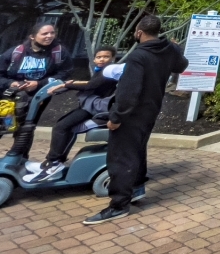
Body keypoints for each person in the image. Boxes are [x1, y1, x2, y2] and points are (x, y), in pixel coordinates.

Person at [83, 15, 188, 225]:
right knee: (137, 149)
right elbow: (181, 66)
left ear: (139, 32)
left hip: (132, 113)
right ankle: (137, 188)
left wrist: (116, 117)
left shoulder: (138, 56)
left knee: (121, 157)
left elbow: (128, 90)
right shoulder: (167, 49)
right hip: (151, 110)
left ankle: (118, 205)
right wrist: (175, 47)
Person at [25, 47, 118, 183]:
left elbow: (90, 86)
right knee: (64, 125)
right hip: (90, 105)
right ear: (94, 59)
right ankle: (54, 162)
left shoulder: (109, 71)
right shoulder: (103, 71)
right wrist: (69, 83)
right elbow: (91, 83)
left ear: (113, 58)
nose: (102, 59)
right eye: (98, 57)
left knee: (61, 127)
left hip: (95, 108)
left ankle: (54, 163)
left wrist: (66, 86)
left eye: (106, 57)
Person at [0, 22, 72, 158]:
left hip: (38, 97)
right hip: (9, 98)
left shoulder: (59, 52)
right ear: (32, 37)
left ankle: (18, 158)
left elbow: (65, 73)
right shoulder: (17, 52)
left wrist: (39, 83)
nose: (49, 36)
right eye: (44, 33)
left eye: (52, 33)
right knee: (4, 124)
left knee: (27, 127)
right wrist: (11, 83)